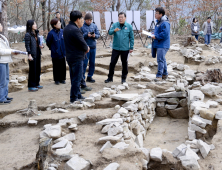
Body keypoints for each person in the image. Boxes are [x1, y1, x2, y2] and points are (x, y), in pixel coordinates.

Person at [63, 11, 90, 103]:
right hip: (77, 57)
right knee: (77, 78)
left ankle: (78, 94)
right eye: (81, 19)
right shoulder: (75, 29)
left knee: (74, 77)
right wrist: (87, 48)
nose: (82, 20)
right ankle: (74, 98)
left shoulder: (67, 28)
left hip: (70, 56)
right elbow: (82, 43)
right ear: (78, 19)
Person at [105, 12, 134, 84]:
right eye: (119, 17)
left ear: (125, 18)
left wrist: (131, 47)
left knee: (124, 64)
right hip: (116, 48)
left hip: (125, 49)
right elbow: (109, 32)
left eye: (122, 17)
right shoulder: (115, 25)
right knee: (112, 63)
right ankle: (110, 78)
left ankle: (123, 79)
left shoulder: (129, 26)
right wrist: (114, 30)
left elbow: (132, 38)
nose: (120, 19)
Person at [0, 24, 18, 105]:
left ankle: (5, 95)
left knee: (6, 79)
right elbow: (1, 51)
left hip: (5, 60)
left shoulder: (2, 36)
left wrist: (13, 51)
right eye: (0, 25)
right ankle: (1, 98)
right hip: (1, 61)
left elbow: (6, 48)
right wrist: (10, 52)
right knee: (2, 81)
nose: (1, 26)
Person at [151, 7, 170, 82]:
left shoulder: (165, 22)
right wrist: (153, 33)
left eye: (156, 13)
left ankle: (159, 76)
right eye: (155, 13)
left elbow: (164, 34)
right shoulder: (159, 22)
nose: (155, 14)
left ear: (161, 14)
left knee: (160, 60)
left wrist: (156, 36)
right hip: (159, 44)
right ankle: (165, 74)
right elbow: (159, 31)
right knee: (162, 59)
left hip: (163, 44)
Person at [25, 20, 44, 92]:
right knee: (32, 69)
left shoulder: (36, 33)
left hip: (38, 52)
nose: (36, 25)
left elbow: (38, 42)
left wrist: (41, 46)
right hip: (32, 54)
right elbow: (27, 45)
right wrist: (29, 55)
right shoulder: (28, 34)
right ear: (30, 25)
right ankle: (31, 86)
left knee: (37, 69)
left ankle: (36, 83)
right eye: (34, 24)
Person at [81, 13, 100, 83]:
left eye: (90, 20)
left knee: (92, 63)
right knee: (84, 63)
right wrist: (86, 35)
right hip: (85, 47)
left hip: (93, 47)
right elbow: (80, 36)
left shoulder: (94, 26)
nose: (89, 21)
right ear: (85, 20)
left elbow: (98, 35)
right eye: (87, 20)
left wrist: (94, 36)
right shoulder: (82, 26)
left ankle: (90, 76)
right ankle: (82, 77)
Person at [46, 18, 66, 85]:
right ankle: (57, 79)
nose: (60, 24)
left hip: (62, 52)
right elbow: (48, 42)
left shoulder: (62, 31)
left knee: (63, 66)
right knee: (56, 66)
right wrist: (53, 49)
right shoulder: (51, 33)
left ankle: (62, 79)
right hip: (55, 53)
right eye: (58, 23)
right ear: (54, 25)